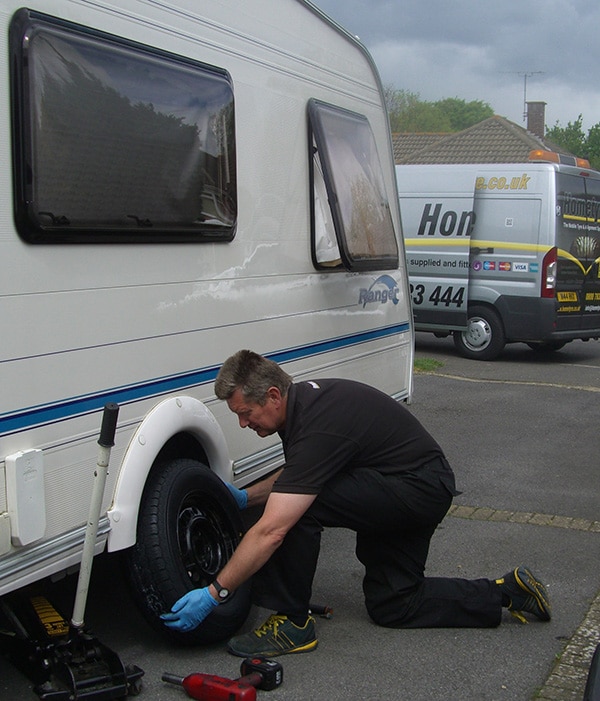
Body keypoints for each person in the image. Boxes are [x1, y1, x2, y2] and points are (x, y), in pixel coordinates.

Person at [161, 350, 551, 656]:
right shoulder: (305, 409)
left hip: (416, 488)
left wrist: (215, 592)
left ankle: (293, 623)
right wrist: (248, 496)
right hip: (413, 485)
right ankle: (507, 591)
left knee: (295, 510)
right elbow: (302, 470)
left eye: (245, 414)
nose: (244, 424)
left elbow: (275, 527)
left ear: (273, 396)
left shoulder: (316, 422)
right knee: (395, 606)